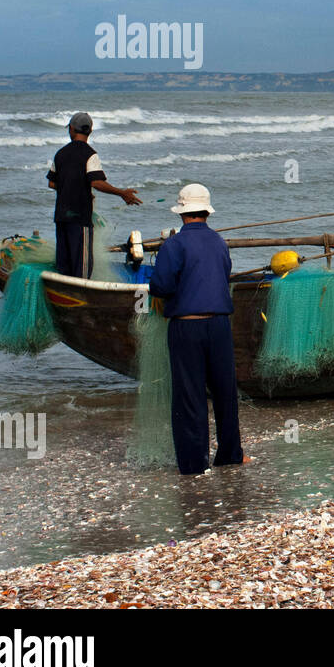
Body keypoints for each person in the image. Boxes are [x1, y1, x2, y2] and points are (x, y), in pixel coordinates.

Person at [148, 183, 246, 475]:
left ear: (182, 213)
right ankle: (230, 455)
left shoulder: (174, 245)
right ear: (206, 211)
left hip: (187, 327)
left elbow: (161, 286)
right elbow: (223, 273)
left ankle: (194, 463)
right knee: (224, 391)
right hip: (219, 326)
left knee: (190, 395)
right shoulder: (219, 242)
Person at [45, 112, 142, 277]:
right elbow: (96, 182)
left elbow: (52, 183)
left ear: (71, 129)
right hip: (80, 219)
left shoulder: (60, 154)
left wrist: (71, 188)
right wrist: (121, 193)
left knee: (64, 264)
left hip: (61, 217)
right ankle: (80, 296)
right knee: (81, 269)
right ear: (89, 131)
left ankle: (63, 295)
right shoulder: (90, 154)